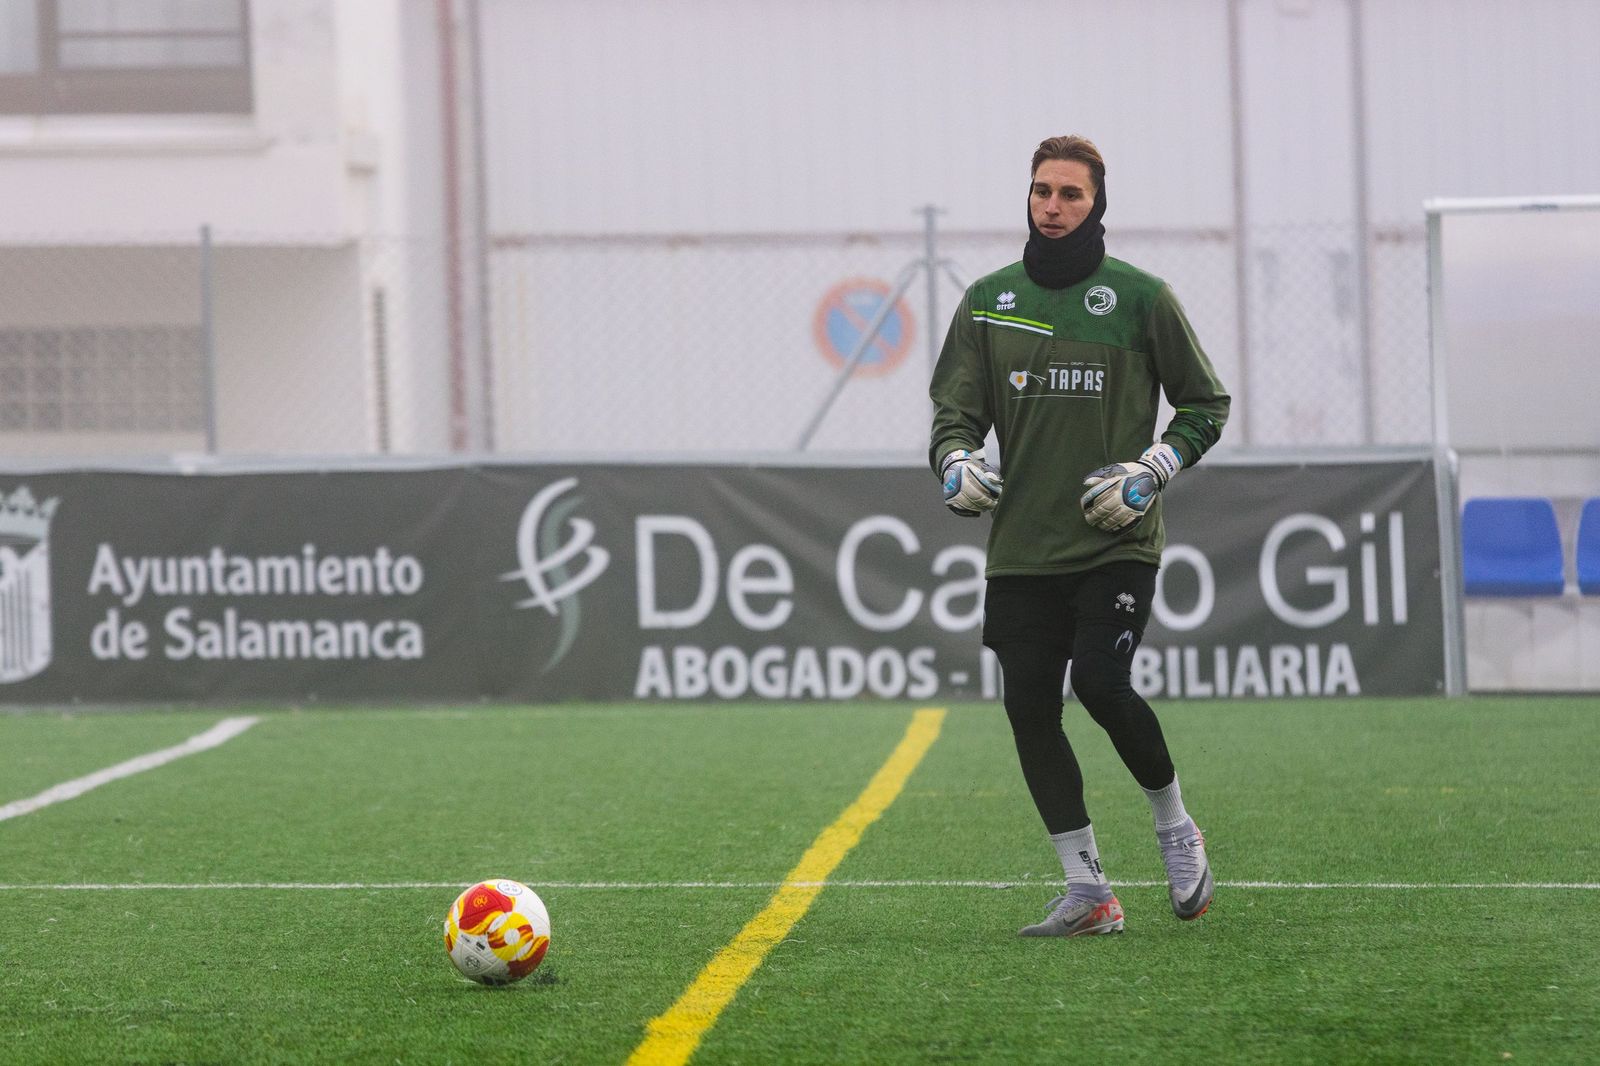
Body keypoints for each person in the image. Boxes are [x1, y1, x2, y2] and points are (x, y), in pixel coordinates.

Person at [928, 134, 1230, 937]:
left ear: (1098, 204)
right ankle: (1088, 891)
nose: (1053, 207)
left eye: (1070, 194)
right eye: (1041, 192)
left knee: (1100, 681)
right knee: (1029, 705)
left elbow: (1206, 404)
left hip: (1114, 542)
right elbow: (954, 417)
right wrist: (956, 463)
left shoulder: (1141, 298)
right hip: (1023, 549)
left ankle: (1176, 829)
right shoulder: (988, 300)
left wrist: (1152, 471)